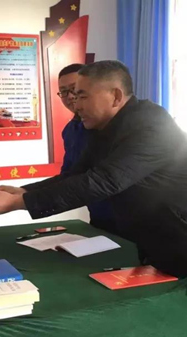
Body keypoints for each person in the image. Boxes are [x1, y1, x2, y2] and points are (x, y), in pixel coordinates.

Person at [0, 60, 187, 286]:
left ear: (115, 96)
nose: (75, 104)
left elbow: (104, 182)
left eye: (82, 95)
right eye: (71, 95)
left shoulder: (152, 126)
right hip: (163, 240)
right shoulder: (102, 129)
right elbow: (77, 174)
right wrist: (23, 191)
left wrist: (18, 204)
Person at [57, 63, 116, 233]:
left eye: (75, 90)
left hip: (136, 222)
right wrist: (22, 193)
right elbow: (69, 176)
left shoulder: (120, 128)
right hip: (99, 220)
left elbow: (104, 181)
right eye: (63, 92)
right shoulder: (70, 131)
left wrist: (22, 201)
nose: (70, 97)